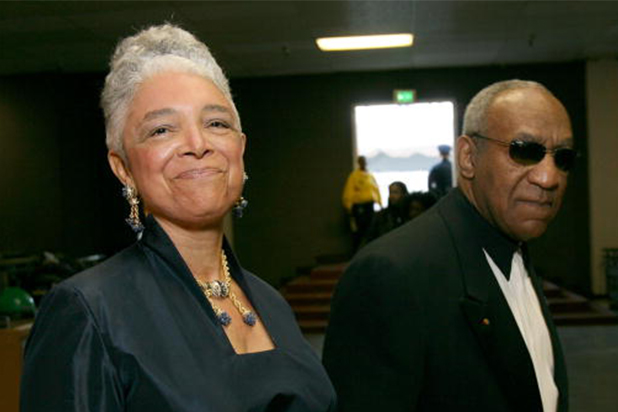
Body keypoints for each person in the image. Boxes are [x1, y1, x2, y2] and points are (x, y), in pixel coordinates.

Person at [21, 24, 336, 412]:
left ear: (240, 148)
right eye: (161, 130)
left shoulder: (270, 302)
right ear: (123, 168)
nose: (198, 144)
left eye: (216, 123)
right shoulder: (89, 312)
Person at [323, 79, 576, 411]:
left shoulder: (514, 247)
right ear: (468, 158)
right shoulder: (391, 274)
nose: (549, 177)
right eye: (524, 151)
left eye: (563, 158)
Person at [341, 155, 382, 251]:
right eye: (361, 161)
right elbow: (349, 191)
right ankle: (357, 251)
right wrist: (349, 205)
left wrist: (379, 203)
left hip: (369, 206)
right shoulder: (354, 176)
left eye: (364, 161)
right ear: (358, 163)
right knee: (359, 231)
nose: (363, 163)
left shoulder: (370, 176)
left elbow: (375, 189)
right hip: (359, 207)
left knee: (370, 229)